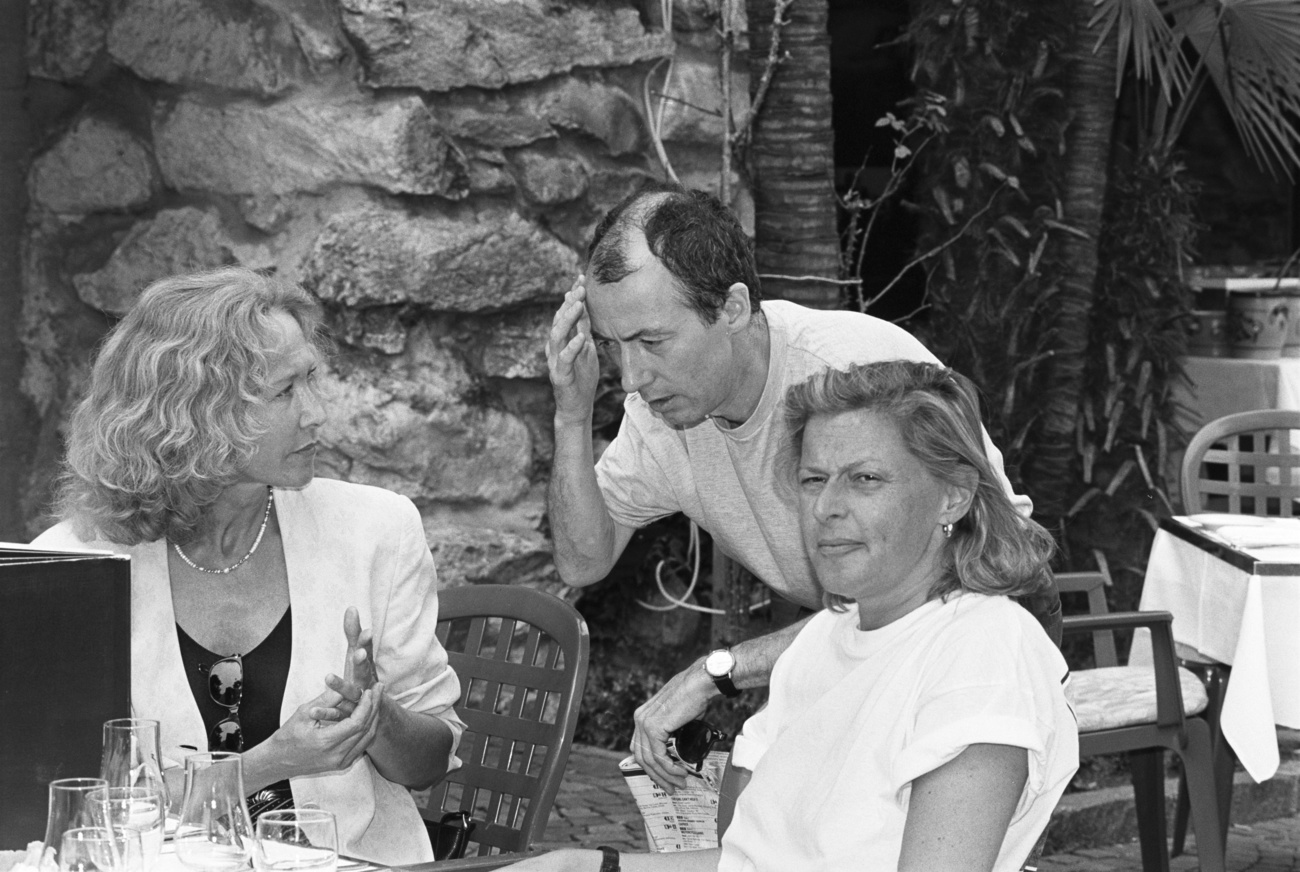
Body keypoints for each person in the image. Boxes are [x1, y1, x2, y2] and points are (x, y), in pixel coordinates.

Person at [545, 180, 1058, 789]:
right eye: (613, 346)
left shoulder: (856, 375)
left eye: (652, 342)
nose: (632, 376)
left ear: (732, 309)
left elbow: (983, 565)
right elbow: (583, 561)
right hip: (853, 635)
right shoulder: (659, 413)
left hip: (979, 625)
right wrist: (571, 417)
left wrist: (719, 670)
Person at [509, 360, 1079, 872]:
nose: (827, 507)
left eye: (865, 478)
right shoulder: (828, 638)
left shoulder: (981, 651)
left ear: (953, 496)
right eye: (813, 480)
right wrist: (589, 866)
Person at [34, 267, 464, 865]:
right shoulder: (77, 565)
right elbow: (79, 812)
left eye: (312, 379)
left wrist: (377, 717)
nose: (317, 414)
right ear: (196, 412)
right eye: (285, 391)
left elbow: (432, 764)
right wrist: (274, 761)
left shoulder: (377, 529)